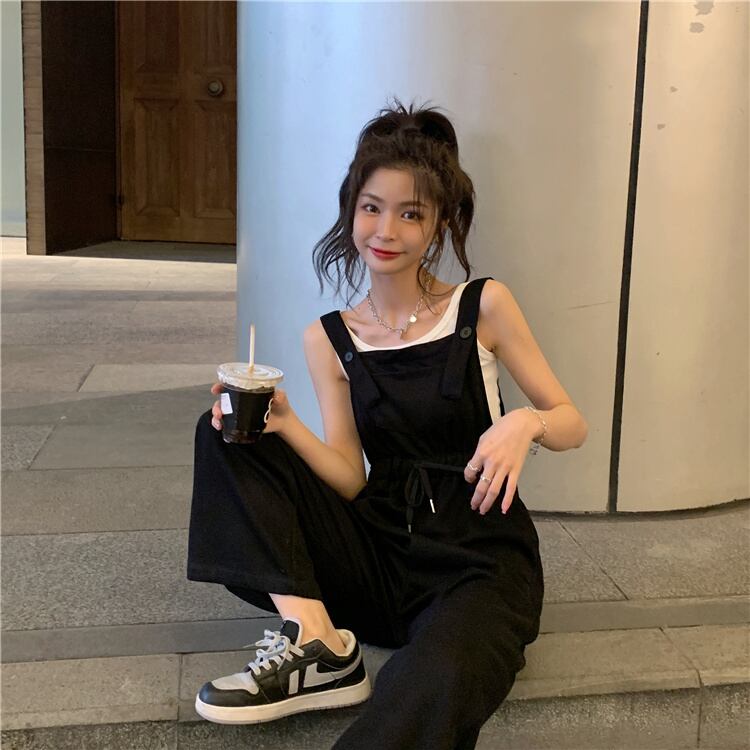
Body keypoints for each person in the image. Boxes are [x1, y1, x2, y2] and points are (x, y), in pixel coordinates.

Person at [186, 98, 588, 749]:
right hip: (376, 556)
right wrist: (286, 425)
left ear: (439, 224)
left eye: (410, 213)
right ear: (352, 210)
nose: (386, 229)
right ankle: (317, 641)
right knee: (225, 431)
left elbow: (573, 423)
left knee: (437, 676)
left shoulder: (481, 306)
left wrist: (526, 423)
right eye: (372, 207)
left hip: (477, 559)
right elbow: (351, 476)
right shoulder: (329, 339)